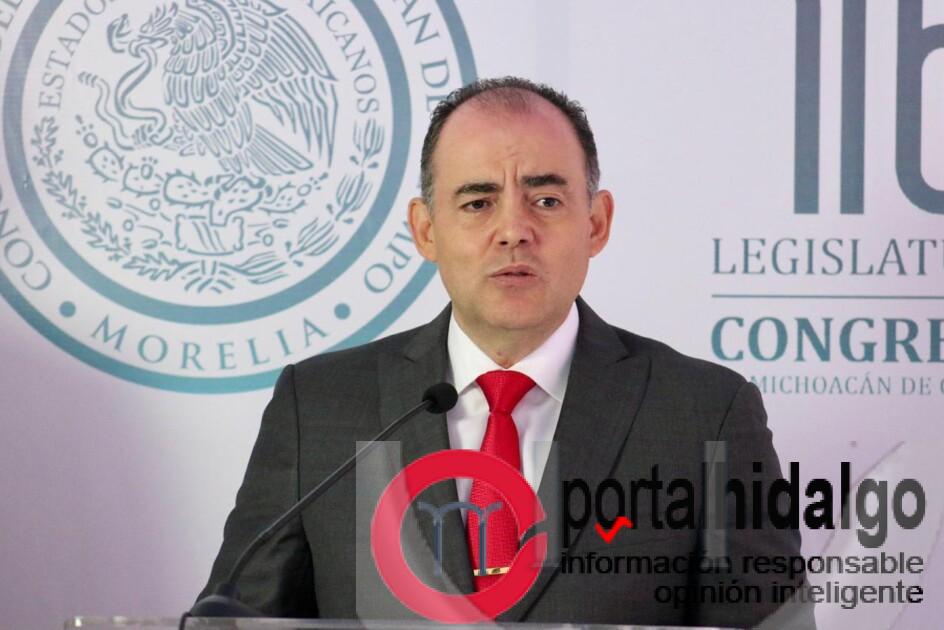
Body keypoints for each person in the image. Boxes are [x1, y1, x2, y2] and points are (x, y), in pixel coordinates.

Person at [199, 77, 809, 627]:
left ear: (596, 223)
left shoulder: (705, 413)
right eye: (478, 202)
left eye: (546, 200)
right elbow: (232, 620)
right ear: (426, 230)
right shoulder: (318, 407)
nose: (514, 230)